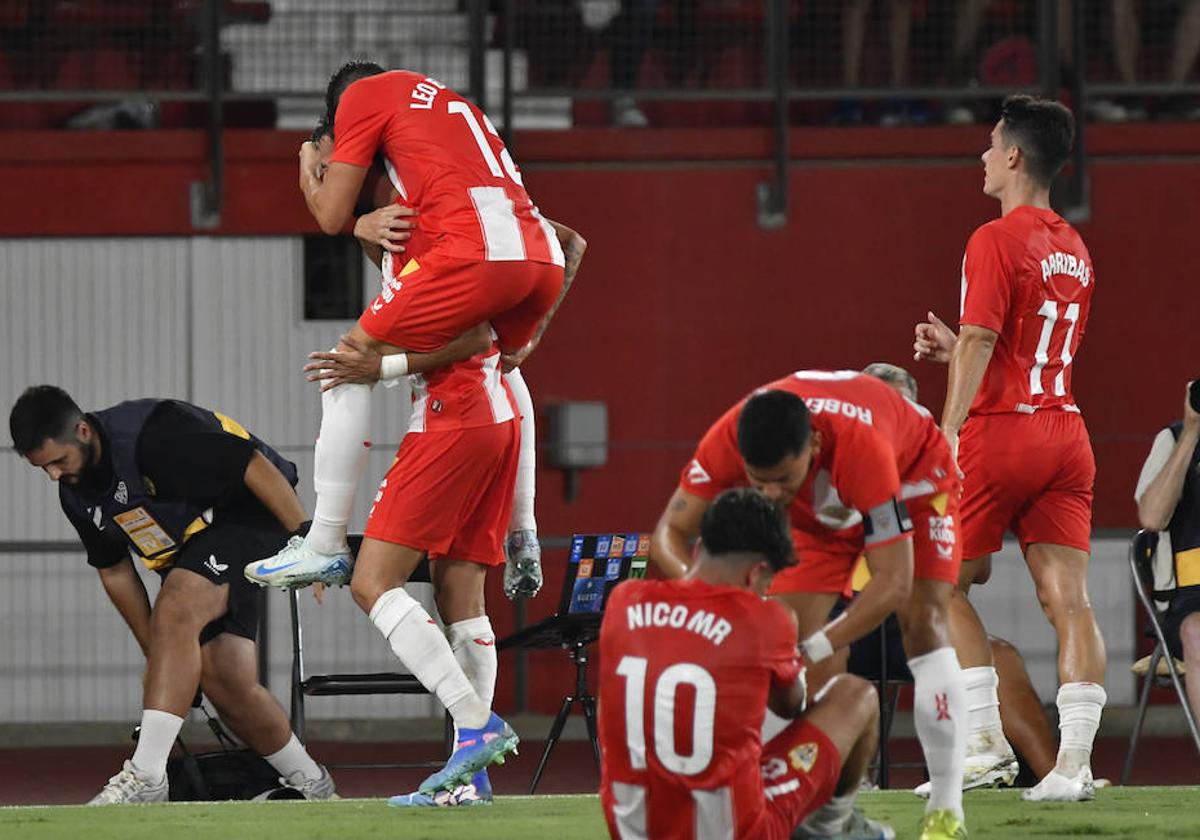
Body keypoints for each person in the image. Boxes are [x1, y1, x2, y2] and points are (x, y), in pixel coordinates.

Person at [250, 62, 582, 595]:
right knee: (501, 362)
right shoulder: (437, 138)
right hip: (531, 259)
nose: (335, 166)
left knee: (346, 367)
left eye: (334, 152)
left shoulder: (371, 118)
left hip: (457, 404)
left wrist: (308, 169)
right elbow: (569, 244)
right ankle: (524, 532)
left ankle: (326, 541)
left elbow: (329, 215)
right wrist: (536, 327)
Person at [651, 369, 967, 840]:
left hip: (913, 476)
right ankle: (822, 818)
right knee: (784, 649)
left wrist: (819, 646)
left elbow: (893, 583)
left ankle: (946, 812)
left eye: (780, 479)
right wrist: (720, 604)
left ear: (814, 445)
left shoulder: (863, 449)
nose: (770, 493)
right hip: (819, 512)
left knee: (923, 621)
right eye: (759, 483)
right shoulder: (730, 436)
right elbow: (667, 536)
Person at [8, 386, 335, 805]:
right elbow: (115, 571)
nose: (54, 475)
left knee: (177, 606)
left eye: (58, 461)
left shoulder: (156, 438)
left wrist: (308, 546)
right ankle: (313, 783)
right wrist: (160, 654)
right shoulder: (75, 491)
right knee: (225, 681)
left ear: (84, 431)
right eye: (43, 469)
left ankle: (147, 775)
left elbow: (252, 464)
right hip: (193, 546)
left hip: (252, 512)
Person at [913, 94, 1104, 802]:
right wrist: (953, 349)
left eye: (992, 145)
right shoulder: (1075, 249)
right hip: (1066, 432)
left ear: (1016, 156)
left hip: (1001, 435)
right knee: (1071, 603)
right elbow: (1020, 349)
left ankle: (985, 744)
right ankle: (1073, 767)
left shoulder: (992, 238)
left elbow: (986, 338)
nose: (984, 156)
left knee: (942, 585)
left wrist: (947, 430)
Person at [600, 487, 893, 840]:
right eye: (768, 582)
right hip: (739, 831)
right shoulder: (765, 618)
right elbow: (789, 706)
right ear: (756, 575)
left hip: (633, 829)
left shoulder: (623, 602)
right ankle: (829, 829)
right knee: (855, 694)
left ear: (697, 550)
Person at [857, 363, 1057, 789]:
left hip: (914, 624)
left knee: (1000, 654)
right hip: (849, 618)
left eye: (905, 409)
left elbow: (977, 570)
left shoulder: (938, 469)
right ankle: (849, 780)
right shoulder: (841, 462)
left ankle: (1056, 776)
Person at [1134, 380, 1200, 715]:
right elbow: (1152, 517)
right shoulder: (1173, 440)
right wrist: (1190, 433)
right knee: (1196, 631)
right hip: (1188, 603)